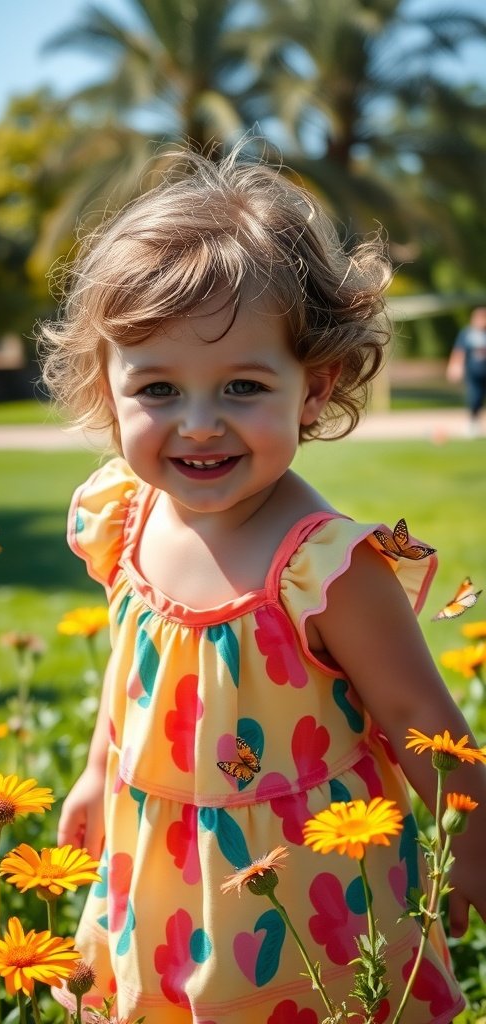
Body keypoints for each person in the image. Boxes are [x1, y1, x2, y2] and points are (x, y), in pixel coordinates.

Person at [40, 148, 486, 1024]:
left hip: (311, 892)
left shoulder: (323, 567)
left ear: (314, 389)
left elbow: (424, 722)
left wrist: (470, 846)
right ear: (110, 386)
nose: (197, 426)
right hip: (157, 873)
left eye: (242, 386)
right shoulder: (127, 515)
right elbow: (130, 674)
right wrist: (98, 770)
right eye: (157, 389)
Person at [446, 306, 486, 437]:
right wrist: (454, 366)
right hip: (473, 373)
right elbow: (459, 351)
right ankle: (473, 423)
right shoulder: (467, 333)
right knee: (475, 398)